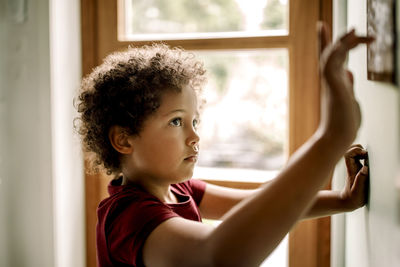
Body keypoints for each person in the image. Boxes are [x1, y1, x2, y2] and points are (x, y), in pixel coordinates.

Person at [75, 23, 373, 267]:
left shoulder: (180, 190)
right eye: (176, 121)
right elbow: (216, 257)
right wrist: (331, 138)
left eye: (195, 122)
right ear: (124, 139)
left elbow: (256, 203)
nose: (194, 137)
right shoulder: (128, 218)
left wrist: (342, 200)